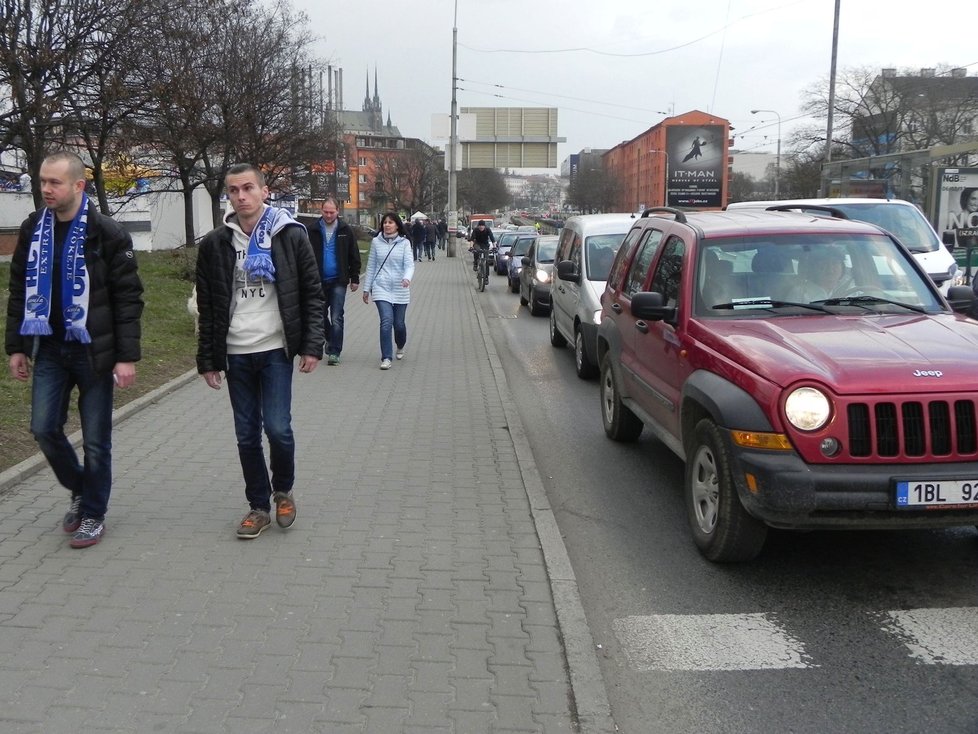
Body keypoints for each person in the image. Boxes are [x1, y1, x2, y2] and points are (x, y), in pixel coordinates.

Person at [5, 151, 144, 548]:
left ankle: (94, 514)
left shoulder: (108, 233)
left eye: (55, 182)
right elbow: (19, 290)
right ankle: (83, 488)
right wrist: (16, 346)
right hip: (49, 348)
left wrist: (126, 356)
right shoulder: (34, 227)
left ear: (78, 186)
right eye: (43, 181)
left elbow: (128, 298)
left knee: (97, 440)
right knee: (43, 428)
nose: (45, 189)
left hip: (93, 352)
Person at [195, 163, 325, 539]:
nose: (241, 196)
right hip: (236, 351)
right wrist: (208, 359)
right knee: (246, 434)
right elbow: (208, 305)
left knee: (278, 428)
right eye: (234, 190)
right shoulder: (216, 243)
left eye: (248, 188)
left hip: (274, 349)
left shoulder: (290, 235)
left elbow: (311, 293)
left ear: (265, 191)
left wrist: (312, 345)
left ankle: (282, 489)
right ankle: (258, 506)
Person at [306, 197, 360, 366]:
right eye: (325, 212)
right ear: (321, 211)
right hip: (317, 280)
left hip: (338, 280)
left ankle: (335, 351)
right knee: (319, 314)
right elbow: (304, 256)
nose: (329, 215)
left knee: (337, 316)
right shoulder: (312, 230)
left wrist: (355, 278)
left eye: (332, 212)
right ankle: (329, 338)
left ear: (338, 211)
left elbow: (354, 254)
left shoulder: (345, 230)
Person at [362, 212, 414, 370]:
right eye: (385, 222)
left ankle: (400, 345)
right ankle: (386, 357)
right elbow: (371, 266)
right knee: (386, 322)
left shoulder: (404, 243)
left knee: (399, 324)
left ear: (397, 225)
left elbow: (409, 265)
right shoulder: (376, 242)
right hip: (381, 287)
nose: (387, 225)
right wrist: (366, 289)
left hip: (400, 288)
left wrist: (407, 278)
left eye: (390, 222)